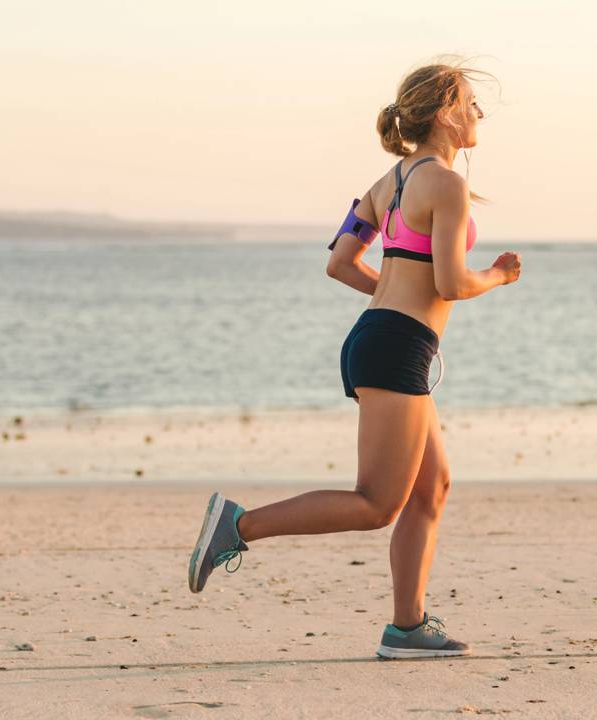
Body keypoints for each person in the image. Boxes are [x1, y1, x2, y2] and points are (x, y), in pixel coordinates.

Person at [187, 60, 522, 660]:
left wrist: (396, 301)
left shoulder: (387, 182)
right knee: (376, 503)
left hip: (381, 337)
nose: (478, 114)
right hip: (395, 345)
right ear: (445, 112)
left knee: (432, 486)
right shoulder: (444, 184)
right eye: (472, 103)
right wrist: (496, 275)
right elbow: (449, 284)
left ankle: (407, 627)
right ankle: (237, 526)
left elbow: (340, 262)